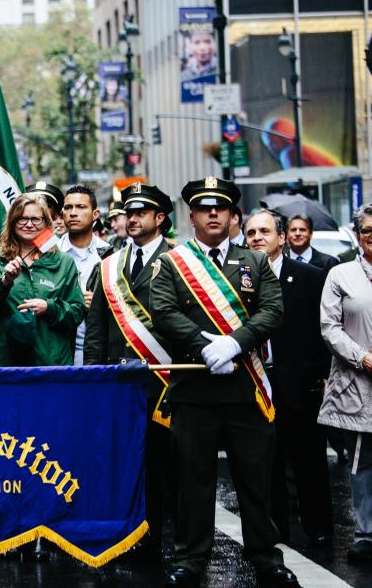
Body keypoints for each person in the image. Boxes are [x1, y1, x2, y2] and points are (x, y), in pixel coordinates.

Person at [150, 177, 295, 587]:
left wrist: (233, 344)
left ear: (234, 216)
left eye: (221, 208)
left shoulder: (255, 262)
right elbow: (162, 312)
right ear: (191, 217)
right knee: (192, 480)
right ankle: (191, 558)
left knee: (255, 478)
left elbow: (272, 311)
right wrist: (203, 346)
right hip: (194, 389)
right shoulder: (173, 262)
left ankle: (266, 555)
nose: (213, 214)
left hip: (242, 387)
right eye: (203, 208)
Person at [84, 183, 174, 560]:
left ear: (160, 219)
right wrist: (92, 377)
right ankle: (131, 537)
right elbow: (97, 329)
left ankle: (165, 540)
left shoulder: (180, 259)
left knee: (165, 467)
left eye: (142, 212)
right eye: (128, 212)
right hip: (119, 384)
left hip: (165, 383)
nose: (132, 218)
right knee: (124, 462)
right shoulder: (110, 265)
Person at [244, 210, 334, 547]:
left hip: (299, 385)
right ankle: (275, 530)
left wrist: (322, 375)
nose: (257, 238)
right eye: (250, 233)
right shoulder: (237, 279)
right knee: (266, 465)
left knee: (310, 462)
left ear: (282, 238)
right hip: (254, 386)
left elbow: (323, 330)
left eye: (264, 231)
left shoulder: (309, 277)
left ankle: (319, 527)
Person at [316, 203, 372, 563]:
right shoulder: (341, 275)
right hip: (359, 382)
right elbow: (329, 327)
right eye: (368, 231)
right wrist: (362, 357)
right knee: (362, 461)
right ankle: (367, 533)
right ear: (357, 235)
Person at [0, 193, 84, 367]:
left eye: (36, 219)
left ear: (46, 224)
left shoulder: (64, 262)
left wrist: (50, 307)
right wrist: (4, 282)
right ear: (12, 222)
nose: (28, 224)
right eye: (22, 218)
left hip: (51, 364)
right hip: (7, 365)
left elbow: (77, 312)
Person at [58, 185, 113, 364]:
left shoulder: (110, 255)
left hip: (99, 354)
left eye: (81, 207)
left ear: (95, 214)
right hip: (58, 352)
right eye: (68, 208)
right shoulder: (49, 254)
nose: (73, 213)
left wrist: (98, 302)